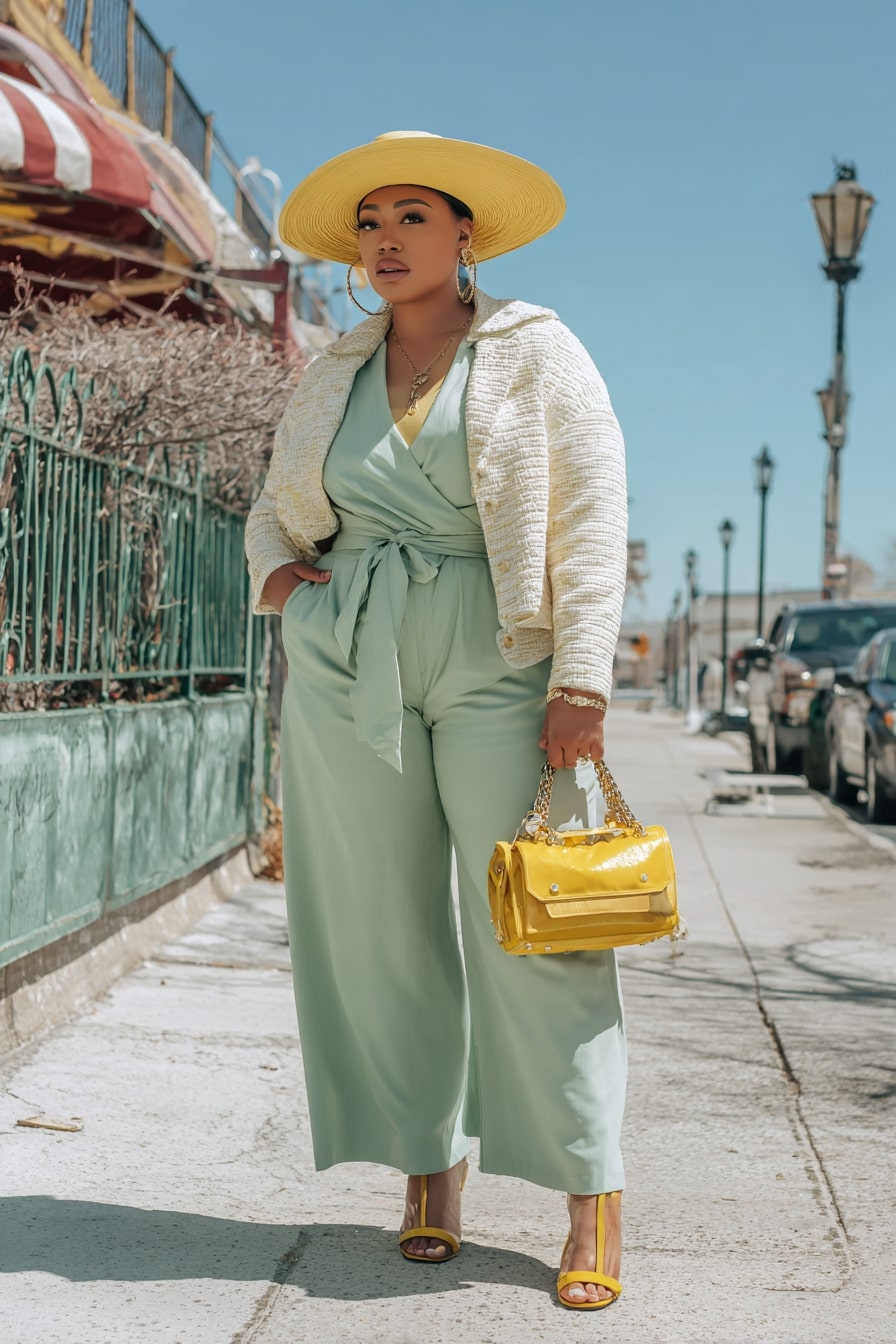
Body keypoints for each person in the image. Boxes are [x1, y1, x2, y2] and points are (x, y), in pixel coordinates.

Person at [245, 131, 628, 1310]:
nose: (384, 240)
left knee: (537, 924)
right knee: (377, 925)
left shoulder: (535, 349)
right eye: (369, 223)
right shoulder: (334, 366)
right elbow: (277, 506)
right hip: (349, 653)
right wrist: (277, 586)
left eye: (410, 216)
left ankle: (591, 1195)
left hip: (499, 654)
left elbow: (592, 512)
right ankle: (428, 1172)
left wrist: (582, 678)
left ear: (465, 235)